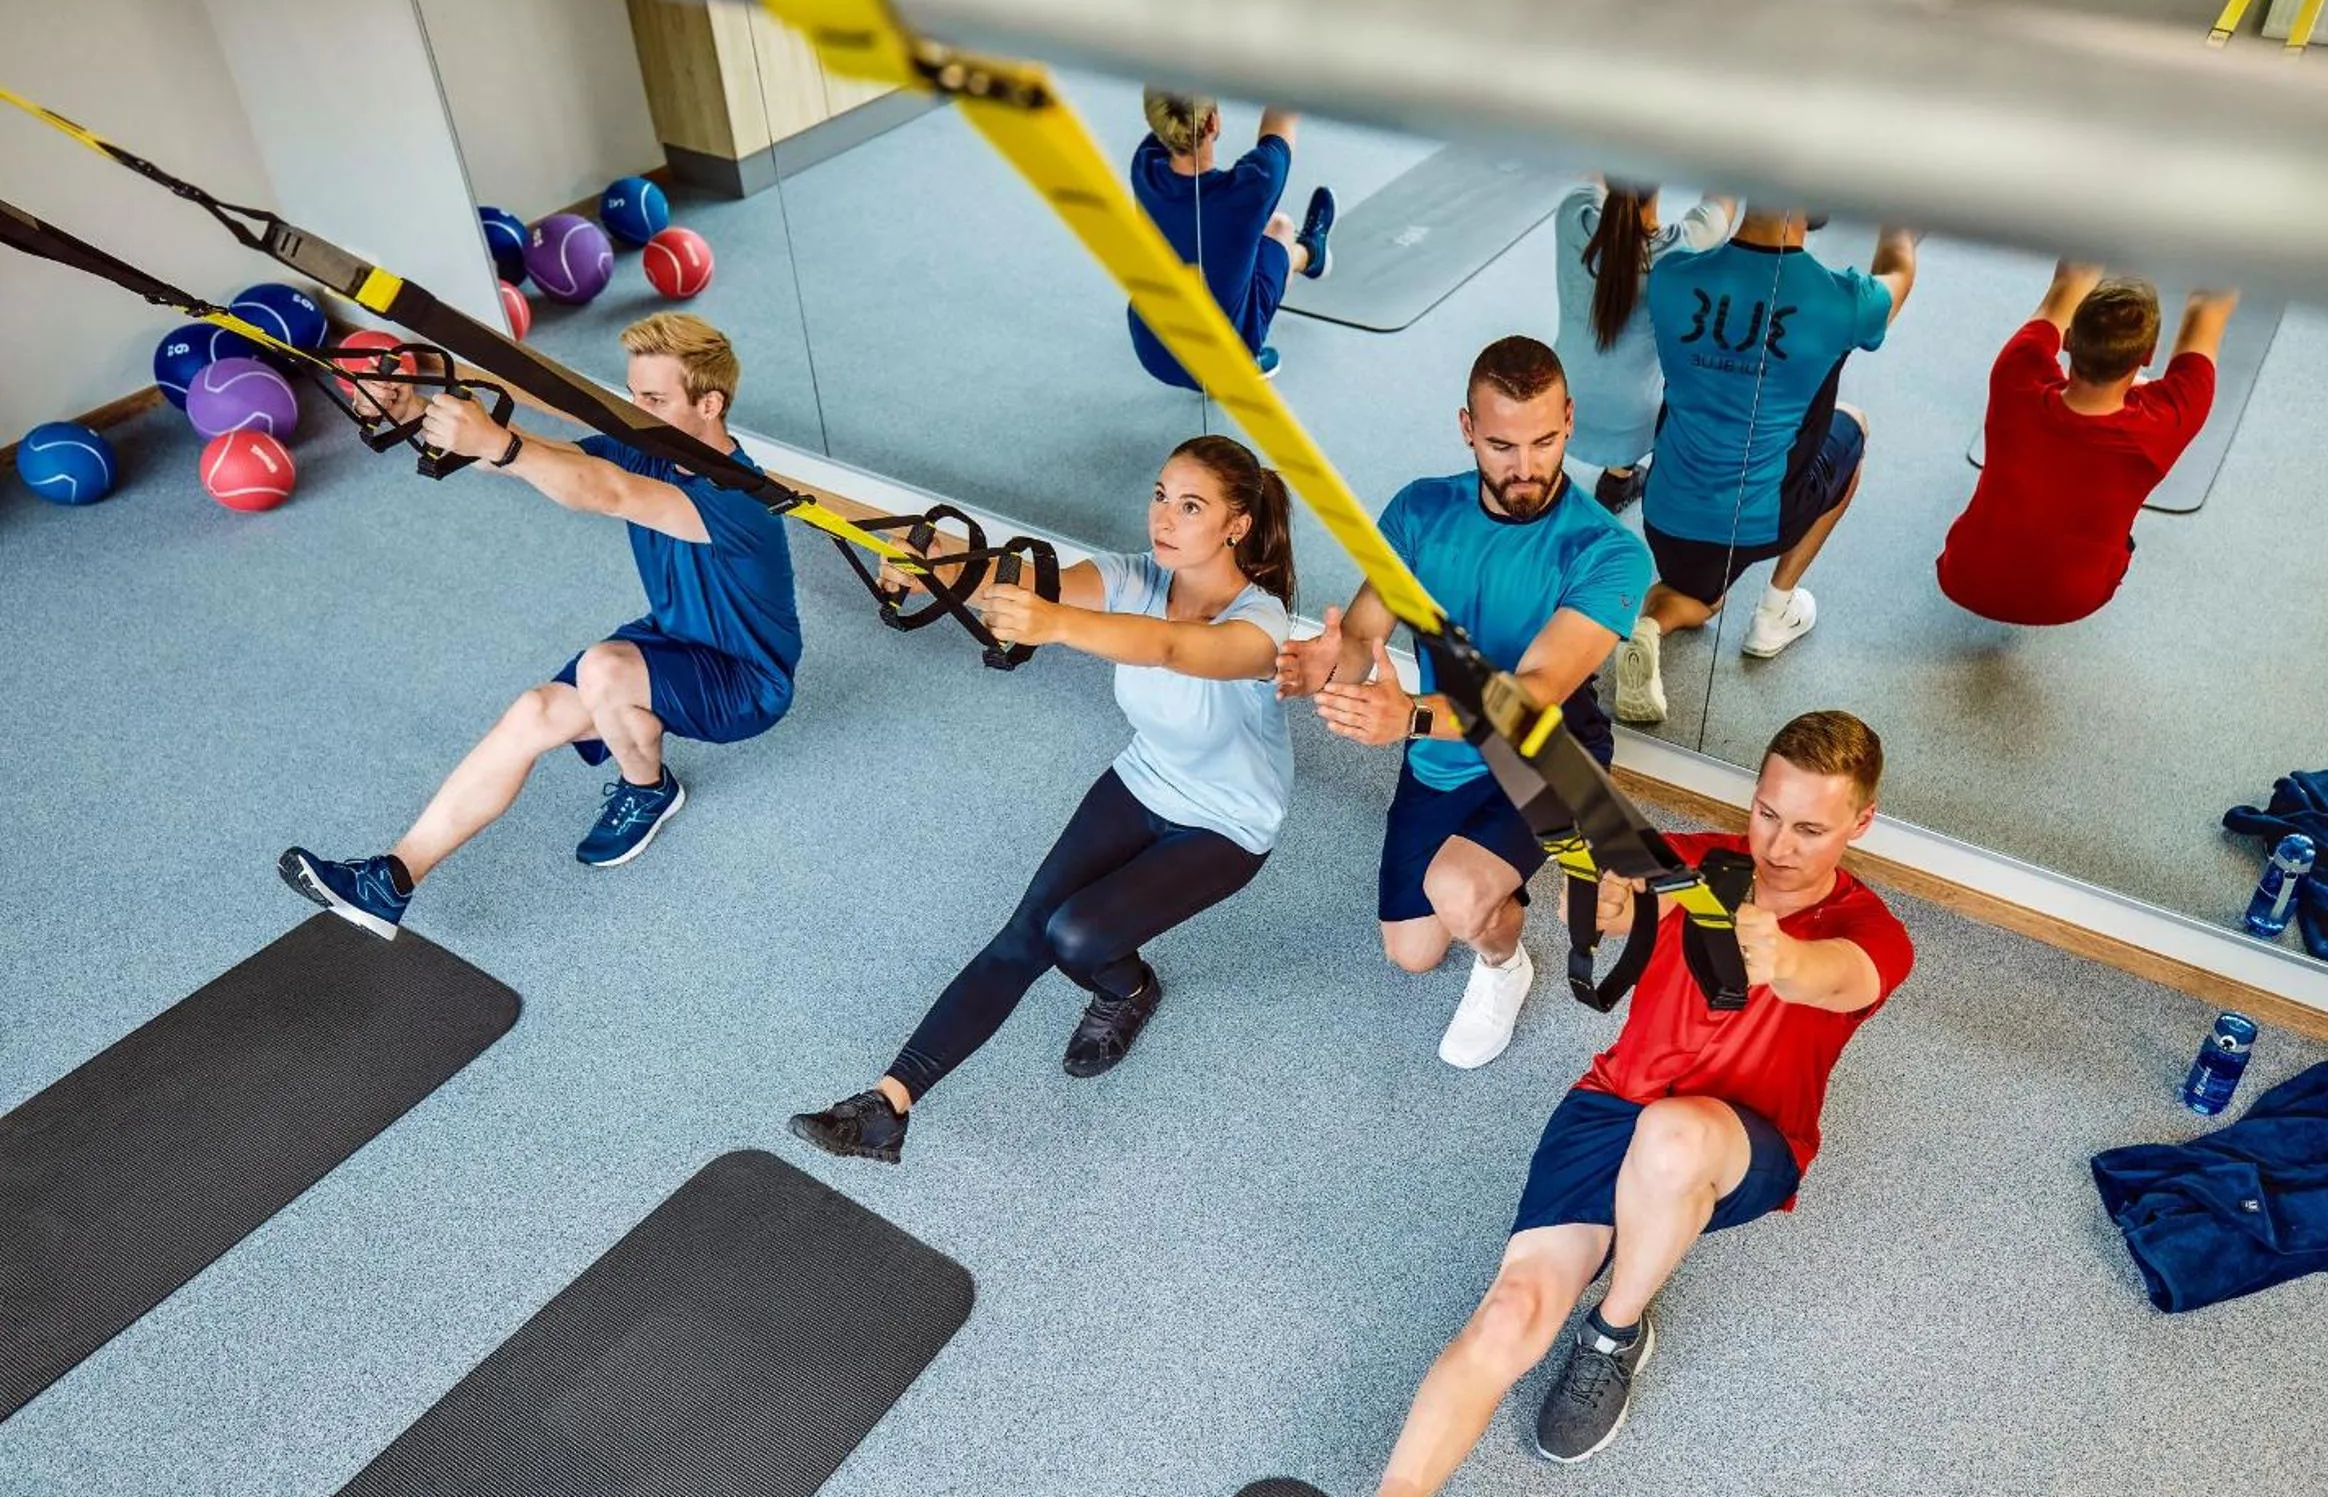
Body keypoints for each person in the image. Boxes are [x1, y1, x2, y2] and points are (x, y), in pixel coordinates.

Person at [1274, 711, 1914, 1497]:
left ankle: (1615, 1331)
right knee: (1513, 1310)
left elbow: (1836, 976)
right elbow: (1611, 902)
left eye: (1810, 827)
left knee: (1677, 1134)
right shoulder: (1694, 861)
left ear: (1860, 825)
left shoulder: (1875, 933)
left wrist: (1780, 958)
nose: (1778, 844)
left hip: (1744, 1142)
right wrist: (1603, 898)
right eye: (1768, 813)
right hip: (1614, 1106)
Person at [790, 435, 1297, 1164]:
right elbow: (1020, 584)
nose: (1163, 517)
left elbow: (1173, 650)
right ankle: (885, 1106)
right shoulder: (1133, 575)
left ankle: (1128, 990)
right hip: (1143, 778)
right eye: (1160, 496)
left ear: (1236, 525)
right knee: (1025, 932)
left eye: (1190, 507)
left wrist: (1057, 626)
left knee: (1077, 936)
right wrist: (930, 572)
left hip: (1226, 823)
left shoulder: (1262, 623)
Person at [277, 313, 799, 938]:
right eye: (633, 394)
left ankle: (647, 787)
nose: (636, 410)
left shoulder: (743, 499)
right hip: (672, 639)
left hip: (746, 680)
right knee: (534, 713)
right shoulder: (652, 444)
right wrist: (418, 412)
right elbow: (547, 459)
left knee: (604, 669)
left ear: (709, 404)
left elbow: (608, 493)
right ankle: (390, 879)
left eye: (654, 399)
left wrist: (498, 443)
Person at [1275, 337, 1652, 1071]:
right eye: (1502, 444)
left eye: (1544, 441)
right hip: (1446, 754)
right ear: (1466, 429)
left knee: (1459, 893)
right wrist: (1330, 662)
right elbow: (1361, 635)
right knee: (1412, 953)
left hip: (1549, 752)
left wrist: (1409, 715)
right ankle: (1505, 885)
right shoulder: (1420, 511)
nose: (1526, 468)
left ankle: (1504, 965)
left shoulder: (1609, 552)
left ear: (1570, 420)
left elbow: (1536, 697)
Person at [1616, 212, 1918, 723]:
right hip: (1764, 520)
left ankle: (1649, 626)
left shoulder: (1674, 276)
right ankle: (1774, 613)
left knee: (1700, 601)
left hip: (1668, 512)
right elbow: (1900, 270)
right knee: (1855, 426)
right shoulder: (1841, 301)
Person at [1936, 263, 2237, 625]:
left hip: (1964, 576)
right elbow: (2208, 304)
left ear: (2066, 340)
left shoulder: (2014, 375)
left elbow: (2069, 280)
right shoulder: (2170, 418)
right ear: (2148, 354)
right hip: (2072, 601)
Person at [1550, 180, 1737, 510]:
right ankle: (1618, 480)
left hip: (1557, 407)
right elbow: (1724, 194)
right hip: (1634, 427)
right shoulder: (1686, 247)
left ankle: (1547, 473)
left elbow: (1594, 173)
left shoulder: (1572, 215)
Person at [1128, 90, 1335, 386]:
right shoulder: (1254, 184)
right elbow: (1285, 106)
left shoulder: (1144, 165)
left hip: (1153, 354)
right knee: (1280, 228)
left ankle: (1310, 255)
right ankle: (1310, 252)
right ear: (1213, 122)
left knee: (1227, 249)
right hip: (1223, 361)